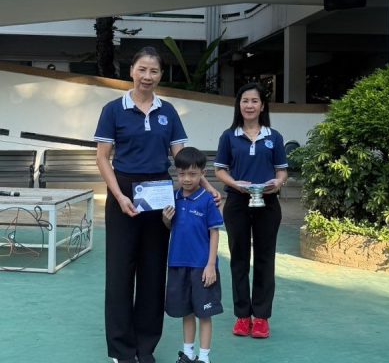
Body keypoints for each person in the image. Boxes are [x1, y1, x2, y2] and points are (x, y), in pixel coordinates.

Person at [94, 47, 220, 363]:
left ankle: (145, 346)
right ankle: (122, 350)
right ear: (131, 71)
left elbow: (183, 158)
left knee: (152, 272)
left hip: (160, 195)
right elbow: (102, 157)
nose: (147, 76)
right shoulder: (113, 109)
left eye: (154, 71)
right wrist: (119, 196)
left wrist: (207, 186)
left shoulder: (168, 111)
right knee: (120, 272)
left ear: (161, 75)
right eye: (142, 69)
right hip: (123, 192)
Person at [214, 82, 288, 339]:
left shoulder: (274, 137)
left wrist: (277, 183)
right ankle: (243, 316)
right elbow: (219, 170)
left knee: (265, 259)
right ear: (239, 105)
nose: (249, 105)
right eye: (245, 101)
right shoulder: (229, 136)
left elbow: (281, 171)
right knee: (239, 258)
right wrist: (237, 184)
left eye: (254, 101)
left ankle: (262, 317)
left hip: (268, 204)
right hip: (237, 203)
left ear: (262, 106)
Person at [162, 147, 224, 363]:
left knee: (204, 314)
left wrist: (211, 265)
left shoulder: (208, 200)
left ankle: (204, 357)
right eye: (181, 174)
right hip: (178, 263)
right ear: (176, 173)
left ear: (202, 174)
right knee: (186, 311)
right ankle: (188, 354)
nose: (186, 179)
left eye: (192, 174)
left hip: (201, 267)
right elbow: (170, 227)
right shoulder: (173, 198)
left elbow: (214, 233)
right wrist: (166, 219)